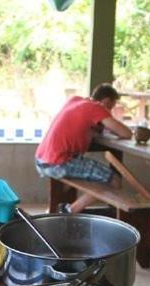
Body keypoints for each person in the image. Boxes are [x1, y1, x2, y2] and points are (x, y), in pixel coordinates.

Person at [34, 83, 133, 213]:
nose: (110, 112)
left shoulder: (75, 100)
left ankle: (57, 208)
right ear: (106, 101)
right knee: (114, 181)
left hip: (41, 159)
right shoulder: (97, 108)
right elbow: (126, 133)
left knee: (92, 176)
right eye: (111, 107)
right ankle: (69, 211)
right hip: (58, 162)